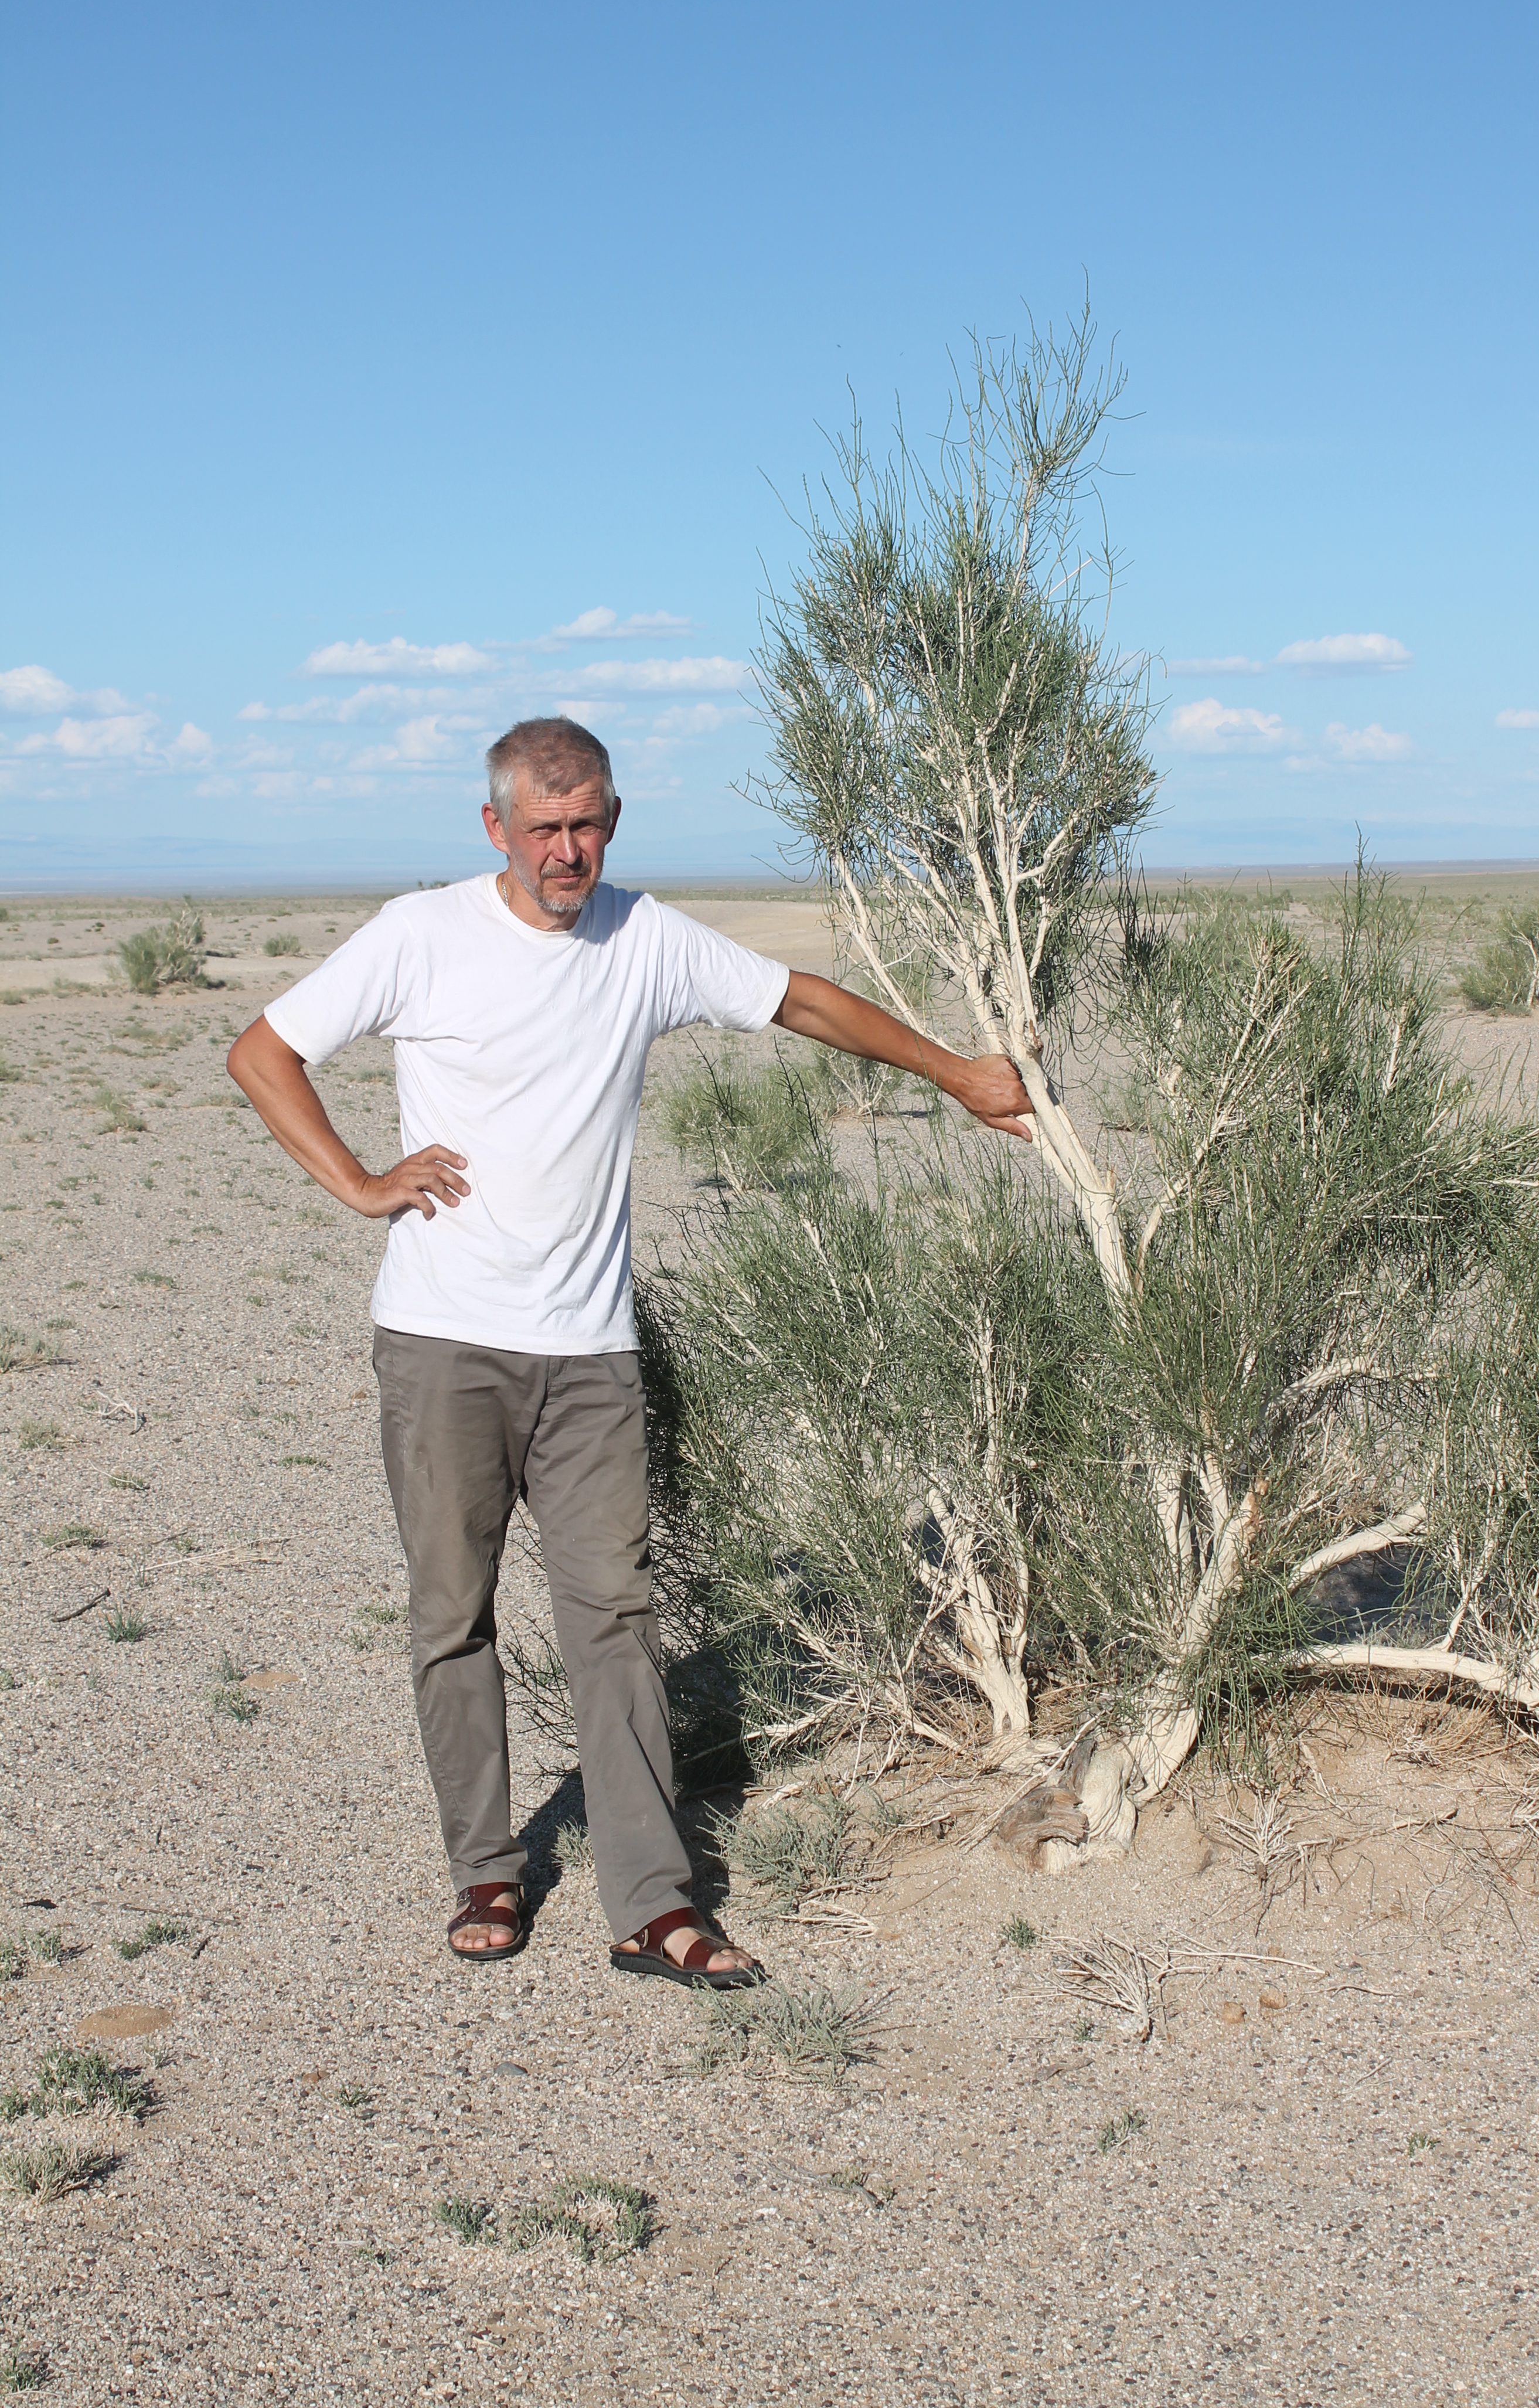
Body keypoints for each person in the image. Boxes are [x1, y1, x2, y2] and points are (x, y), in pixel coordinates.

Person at [226, 716, 1033, 1985]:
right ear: (494, 828)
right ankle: (485, 1871)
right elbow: (262, 1051)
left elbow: (800, 1001)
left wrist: (952, 1075)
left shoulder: (642, 937)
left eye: (589, 821)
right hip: (443, 1346)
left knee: (614, 1618)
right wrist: (359, 1182)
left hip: (589, 1353)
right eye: (544, 827)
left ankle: (652, 1903)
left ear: (613, 817)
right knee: (453, 1614)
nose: (569, 849)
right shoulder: (420, 935)